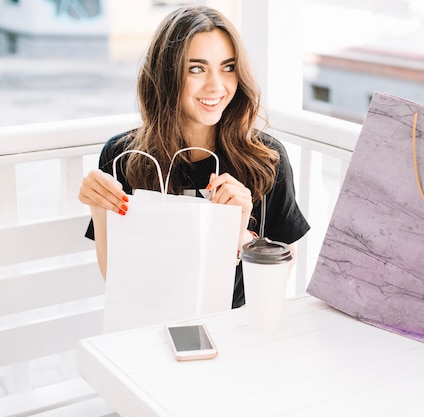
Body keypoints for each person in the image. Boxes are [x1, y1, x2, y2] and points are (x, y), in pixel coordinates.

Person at [78, 5, 310, 308]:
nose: (217, 86)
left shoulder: (267, 160)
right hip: (151, 324)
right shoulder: (124, 156)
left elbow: (278, 280)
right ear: (167, 75)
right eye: (197, 68)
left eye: (228, 67)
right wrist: (100, 207)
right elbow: (117, 279)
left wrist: (239, 235)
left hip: (237, 331)